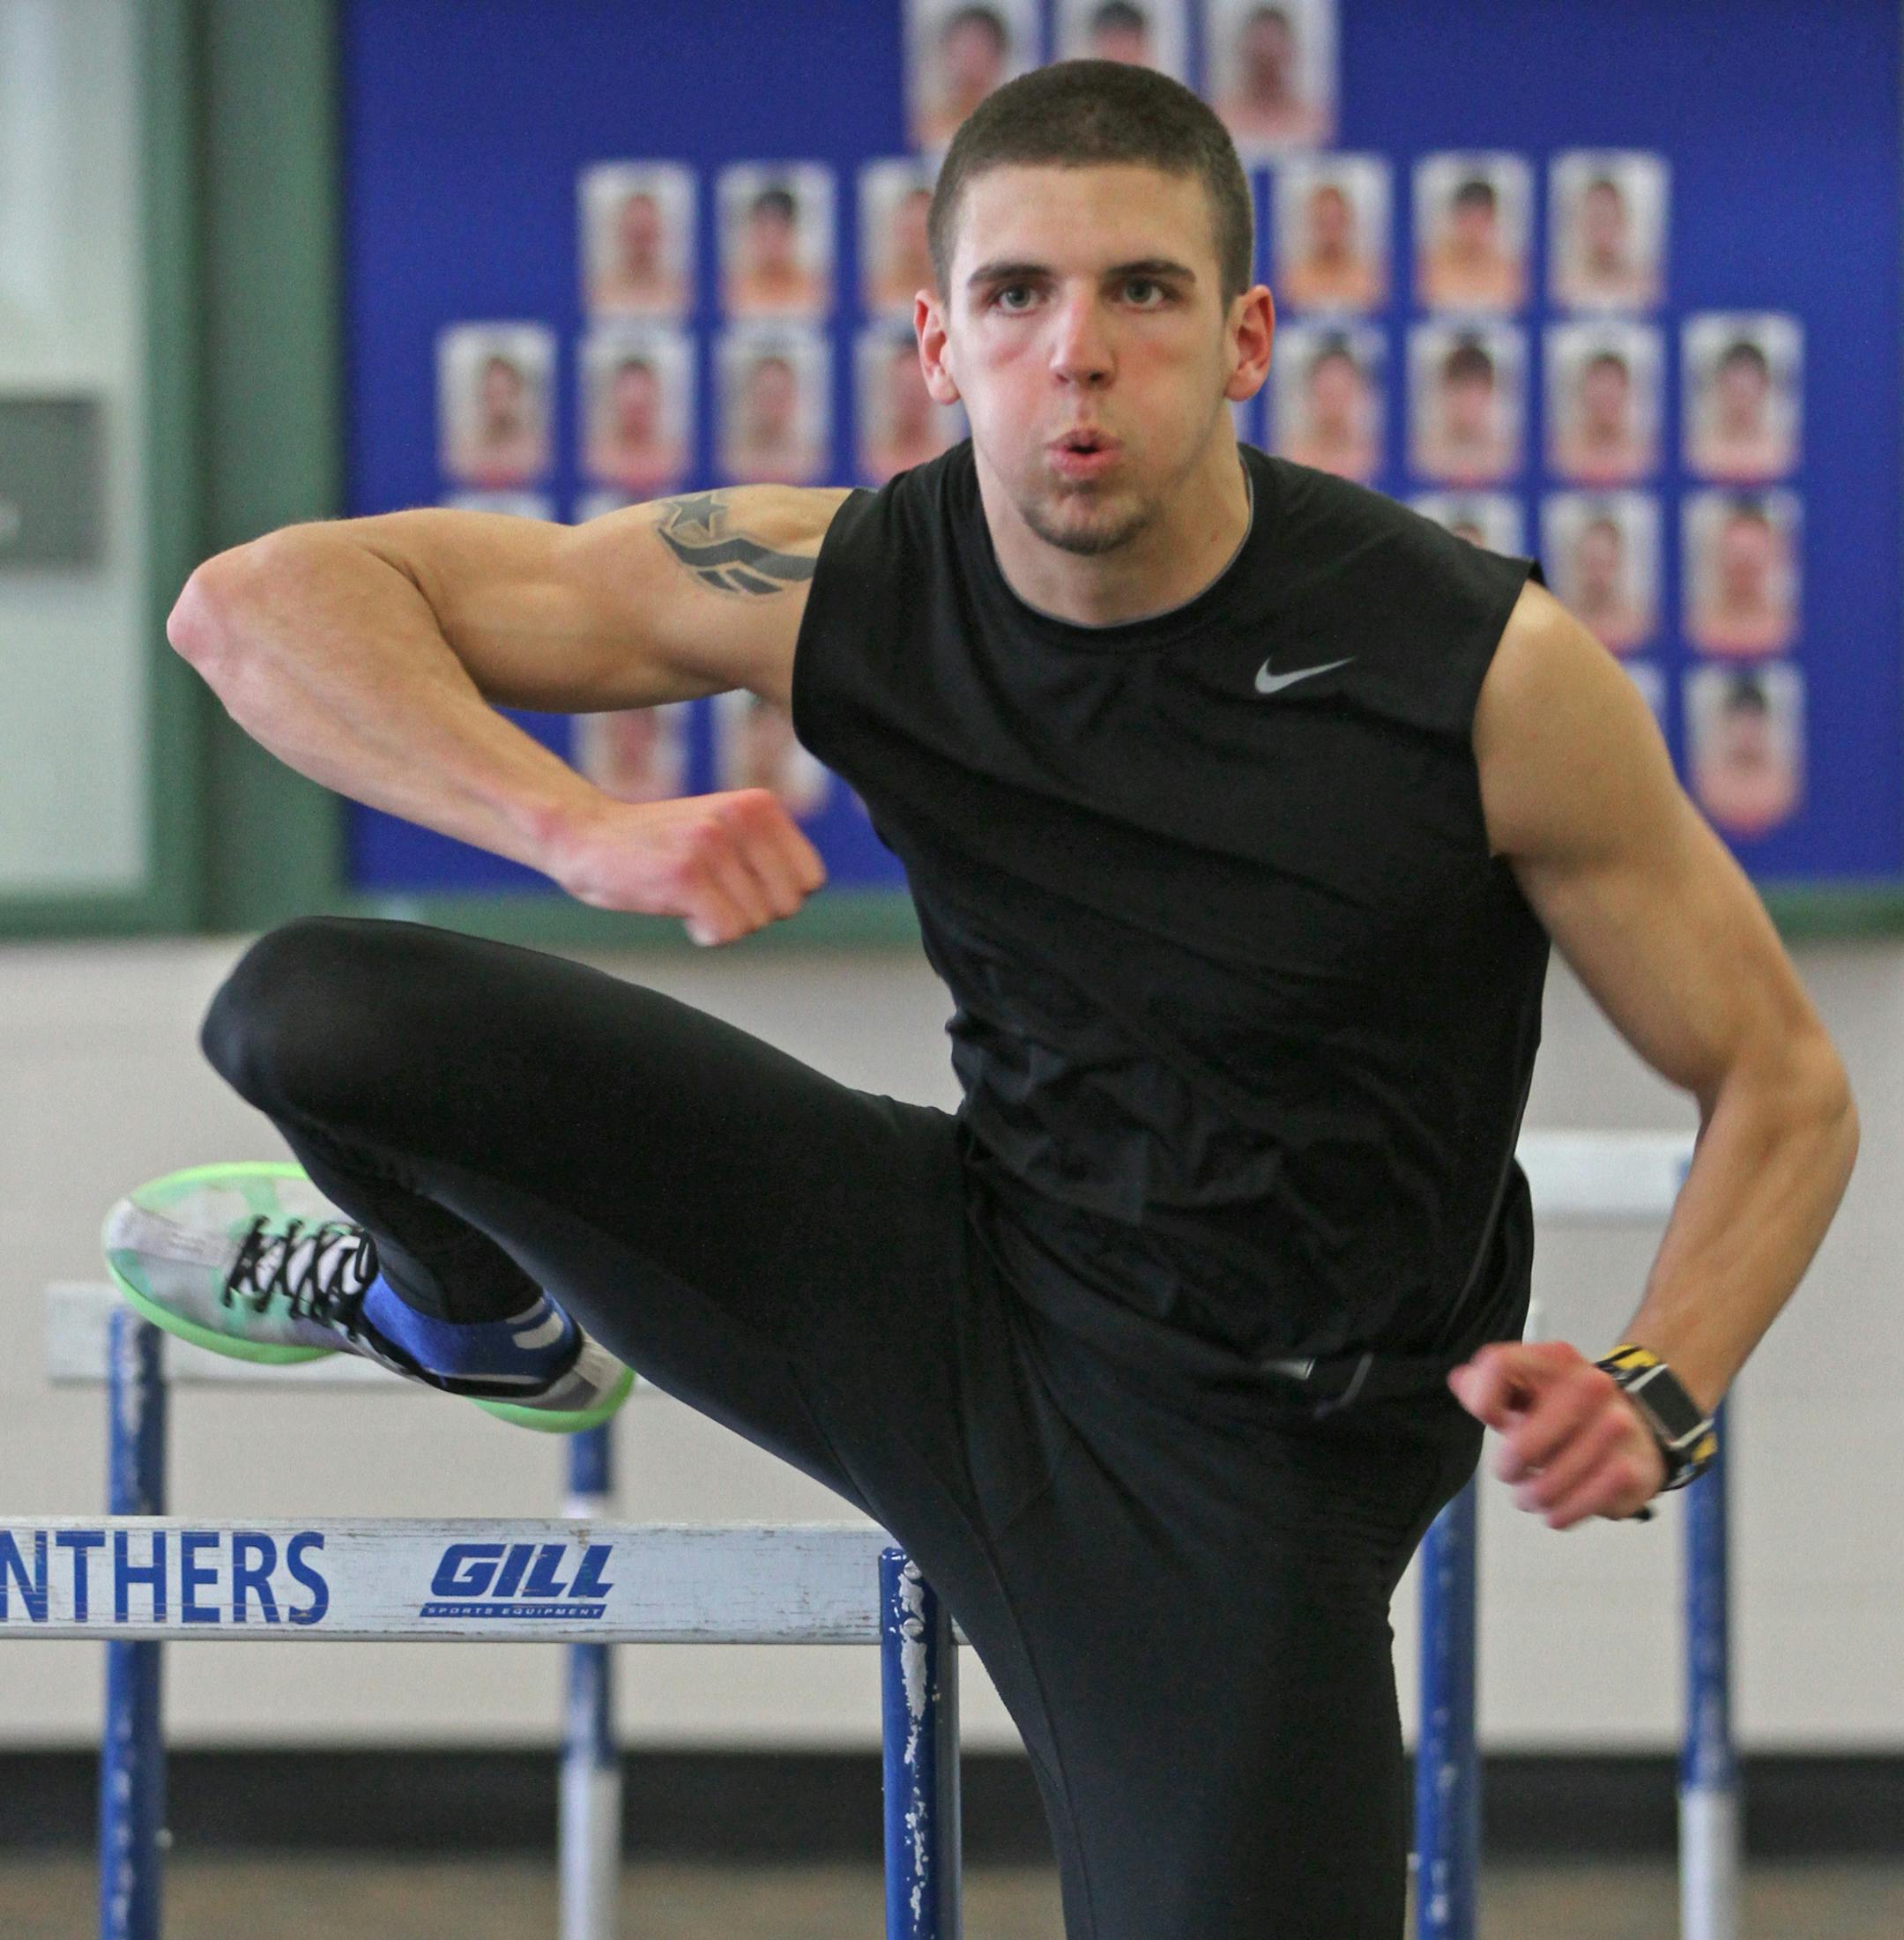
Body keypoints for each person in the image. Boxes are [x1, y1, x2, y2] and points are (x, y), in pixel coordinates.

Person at [118, 59, 1856, 1940]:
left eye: (1145, 292)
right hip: (953, 1282)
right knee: (316, 1011)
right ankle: (483, 1315)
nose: (1078, 355)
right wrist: (569, 827)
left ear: (1246, 334)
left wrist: (1662, 1380)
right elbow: (255, 603)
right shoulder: (850, 576)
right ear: (941, 343)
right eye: (1019, 296)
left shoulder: (1478, 671)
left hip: (1253, 1452)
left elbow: (1778, 1077)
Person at [1692, 672, 1799, 837]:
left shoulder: (1782, 786)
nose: (1747, 734)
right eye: (1741, 724)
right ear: (1727, 725)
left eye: (1754, 723)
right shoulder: (1708, 783)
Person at [1688, 496, 1794, 656]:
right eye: (1736, 554)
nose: (1744, 565)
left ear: (1773, 558)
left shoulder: (1789, 629)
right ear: (1716, 558)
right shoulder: (1694, 628)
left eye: (1753, 555)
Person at [1215, 2, 1330, 147]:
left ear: (1289, 52)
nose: (1267, 54)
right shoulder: (1222, 118)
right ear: (1244, 50)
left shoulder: (1314, 122)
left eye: (1273, 48)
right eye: (1260, 48)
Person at [1415, 333, 1516, 484]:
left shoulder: (1510, 458)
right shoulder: (1421, 457)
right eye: (1460, 390)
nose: (1468, 403)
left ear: (1489, 394)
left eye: (1475, 392)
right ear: (1445, 392)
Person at [584, 353, 688, 495]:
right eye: (630, 405)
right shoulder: (592, 460)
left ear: (656, 400)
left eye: (643, 403)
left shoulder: (679, 460)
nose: (636, 402)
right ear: (614, 400)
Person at [860, 334, 959, 482]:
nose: (913, 398)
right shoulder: (866, 460)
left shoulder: (953, 462)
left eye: (920, 388)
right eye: (906, 388)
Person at [1418, 172, 1522, 311]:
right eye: (1467, 218)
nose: (1473, 229)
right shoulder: (1429, 271)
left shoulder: (1510, 274)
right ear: (1456, 217)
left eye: (1481, 220)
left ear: (1492, 219)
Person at [1279, 334, 1377, 481]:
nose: (1334, 404)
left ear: (1358, 392)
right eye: (1327, 393)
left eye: (1341, 391)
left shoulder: (1375, 459)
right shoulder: (1288, 458)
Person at [1278, 175, 1384, 311]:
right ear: (1312, 224)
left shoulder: (1367, 281)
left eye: (1336, 221)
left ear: (1348, 222)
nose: (1330, 232)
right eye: (1323, 223)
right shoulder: (1294, 282)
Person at [1691, 336, 1789, 481]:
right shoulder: (1696, 453)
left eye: (1748, 379)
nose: (1741, 386)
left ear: (1765, 384)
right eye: (1735, 379)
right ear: (1719, 383)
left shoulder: (1783, 455)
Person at [916, 4, 1014, 148]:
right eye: (961, 51)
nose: (968, 61)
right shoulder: (922, 128)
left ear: (998, 57)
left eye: (977, 51)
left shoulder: (1013, 126)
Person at [724, 183, 826, 317]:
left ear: (792, 232)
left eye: (779, 231)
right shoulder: (731, 292)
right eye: (764, 232)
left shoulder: (818, 292)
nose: (771, 242)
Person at [720, 348, 822, 484]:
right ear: (749, 398)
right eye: (767, 394)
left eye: (780, 396)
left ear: (793, 398)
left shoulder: (816, 463)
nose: (773, 405)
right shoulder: (725, 460)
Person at [1558, 171, 1655, 309]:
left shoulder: (1647, 289)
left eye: (1610, 219)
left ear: (1623, 224)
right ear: (1581, 225)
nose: (1603, 230)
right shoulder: (1563, 290)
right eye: (1596, 219)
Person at [1552, 347, 1650, 484]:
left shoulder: (1646, 458)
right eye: (1599, 386)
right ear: (1582, 392)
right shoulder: (1559, 456)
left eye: (1613, 386)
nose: (1605, 394)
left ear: (1626, 392)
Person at [589, 185, 688, 316]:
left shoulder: (682, 293)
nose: (641, 245)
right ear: (620, 232)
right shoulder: (596, 293)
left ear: (660, 233)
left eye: (647, 232)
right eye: (636, 234)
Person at [1561, 509, 1649, 654]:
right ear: (1577, 563)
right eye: (1592, 563)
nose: (1597, 575)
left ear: (1619, 564)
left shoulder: (1640, 627)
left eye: (1605, 564)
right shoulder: (1560, 622)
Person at [454, 352, 547, 487]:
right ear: (482, 396)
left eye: (504, 393)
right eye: (492, 394)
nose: (499, 405)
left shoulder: (538, 451)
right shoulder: (464, 453)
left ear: (518, 393)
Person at [868, 180, 937, 314]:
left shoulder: (954, 293)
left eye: (922, 232)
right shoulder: (873, 291)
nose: (916, 245)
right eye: (911, 231)